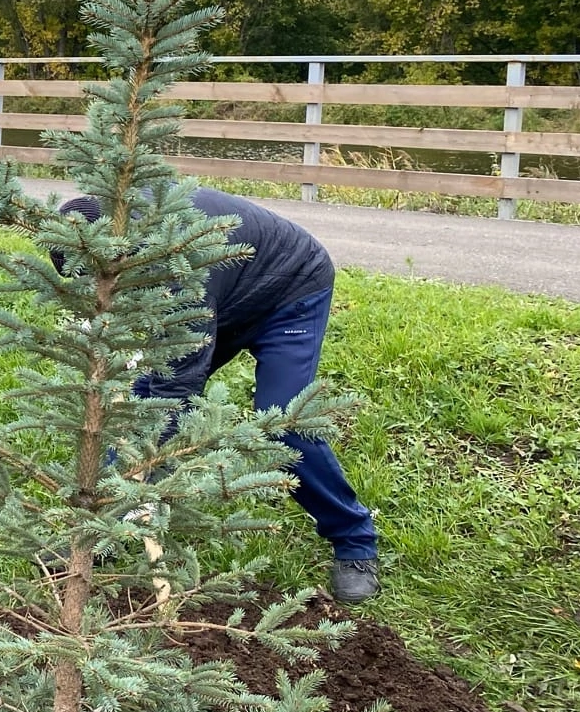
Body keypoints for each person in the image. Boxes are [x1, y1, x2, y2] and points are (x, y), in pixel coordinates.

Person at [61, 189, 381, 605]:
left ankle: (355, 541)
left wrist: (148, 462)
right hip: (224, 294)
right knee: (138, 409)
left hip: (289, 291)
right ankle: (104, 532)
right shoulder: (124, 232)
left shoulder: (178, 262)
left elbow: (178, 391)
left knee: (285, 424)